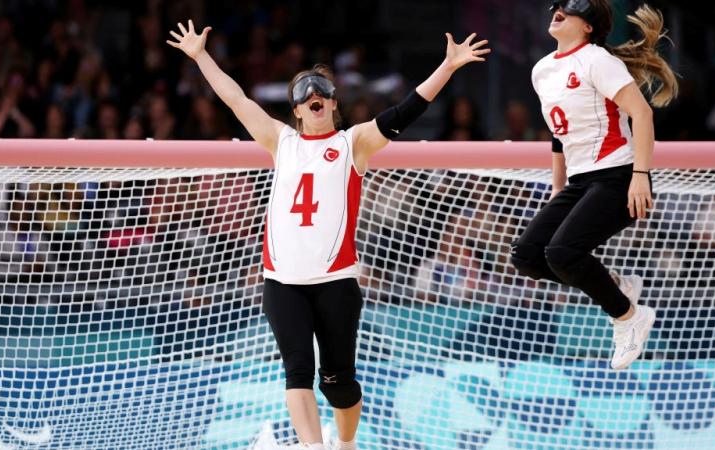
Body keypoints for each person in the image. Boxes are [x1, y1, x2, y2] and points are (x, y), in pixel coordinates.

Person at [167, 20, 490, 449]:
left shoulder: (354, 143)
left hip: (336, 281)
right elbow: (235, 98)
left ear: (334, 103)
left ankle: (346, 442)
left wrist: (447, 67)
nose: (313, 96)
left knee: (339, 381)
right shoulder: (279, 141)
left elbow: (405, 111)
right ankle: (312, 446)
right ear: (296, 110)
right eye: (303, 93)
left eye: (321, 89)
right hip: (283, 280)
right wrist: (200, 55)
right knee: (296, 370)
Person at [509, 0, 678, 370]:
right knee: (526, 255)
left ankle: (628, 318)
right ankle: (615, 286)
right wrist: (557, 189)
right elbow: (559, 136)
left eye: (571, 7)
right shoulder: (542, 70)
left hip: (618, 175)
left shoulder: (598, 60)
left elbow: (643, 114)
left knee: (562, 252)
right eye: (557, 4)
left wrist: (640, 176)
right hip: (579, 179)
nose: (558, 9)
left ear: (588, 26)